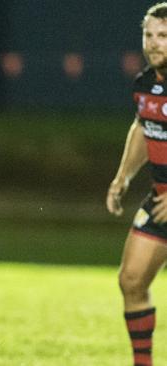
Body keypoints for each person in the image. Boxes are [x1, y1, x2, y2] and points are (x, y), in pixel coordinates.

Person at [107, 3, 167, 366]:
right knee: (131, 280)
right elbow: (144, 129)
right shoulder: (145, 83)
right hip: (160, 198)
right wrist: (122, 177)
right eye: (149, 34)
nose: (154, 43)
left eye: (163, 36)